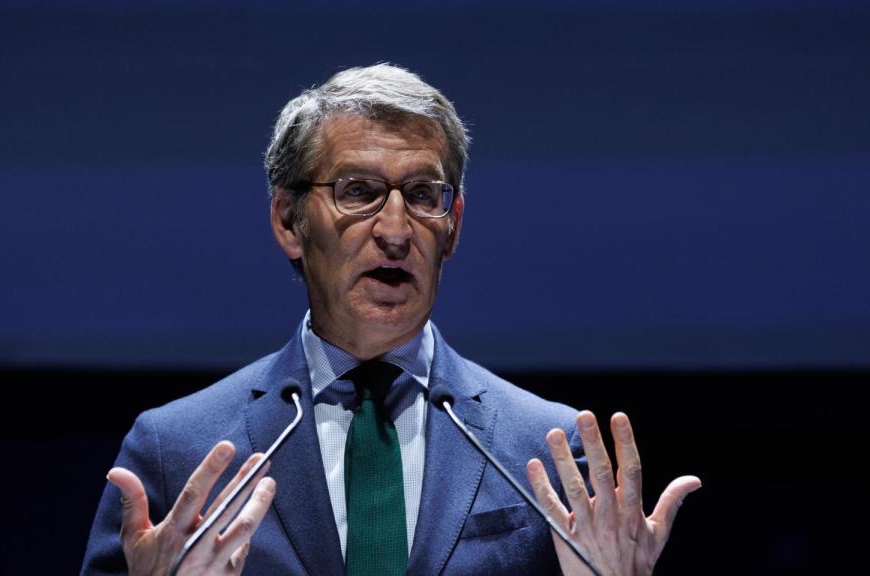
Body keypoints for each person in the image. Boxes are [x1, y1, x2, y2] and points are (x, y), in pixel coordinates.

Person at [81, 64, 701, 576]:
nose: (397, 230)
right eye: (358, 191)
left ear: (453, 227)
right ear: (288, 221)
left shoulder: (545, 449)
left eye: (425, 196)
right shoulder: (176, 451)